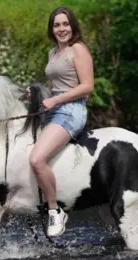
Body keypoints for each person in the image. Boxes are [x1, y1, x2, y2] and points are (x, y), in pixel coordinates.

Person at [29, 6, 94, 237]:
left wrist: (56, 100)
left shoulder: (78, 49)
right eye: (57, 25)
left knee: (36, 160)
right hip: (53, 110)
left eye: (65, 24)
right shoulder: (52, 53)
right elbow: (53, 86)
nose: (61, 29)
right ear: (52, 29)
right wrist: (37, 95)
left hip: (71, 111)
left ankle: (55, 211)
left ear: (72, 26)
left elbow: (87, 86)